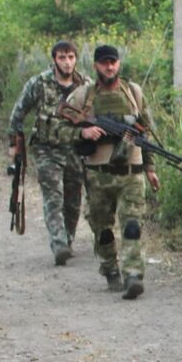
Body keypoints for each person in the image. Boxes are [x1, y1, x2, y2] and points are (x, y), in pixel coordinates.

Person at [60, 44, 159, 299]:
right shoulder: (83, 97)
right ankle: (110, 269)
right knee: (102, 230)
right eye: (104, 62)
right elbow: (57, 129)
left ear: (119, 64)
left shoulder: (134, 93)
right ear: (95, 66)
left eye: (113, 62)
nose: (109, 66)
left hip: (131, 173)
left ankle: (133, 276)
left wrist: (150, 168)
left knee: (132, 226)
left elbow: (145, 133)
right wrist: (82, 132)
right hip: (98, 174)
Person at [7, 40, 89, 265]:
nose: (67, 62)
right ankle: (58, 242)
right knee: (54, 196)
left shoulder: (85, 85)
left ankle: (68, 239)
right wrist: (13, 144)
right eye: (62, 58)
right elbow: (18, 112)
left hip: (74, 149)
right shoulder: (39, 83)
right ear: (54, 60)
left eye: (71, 57)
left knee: (73, 199)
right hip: (46, 148)